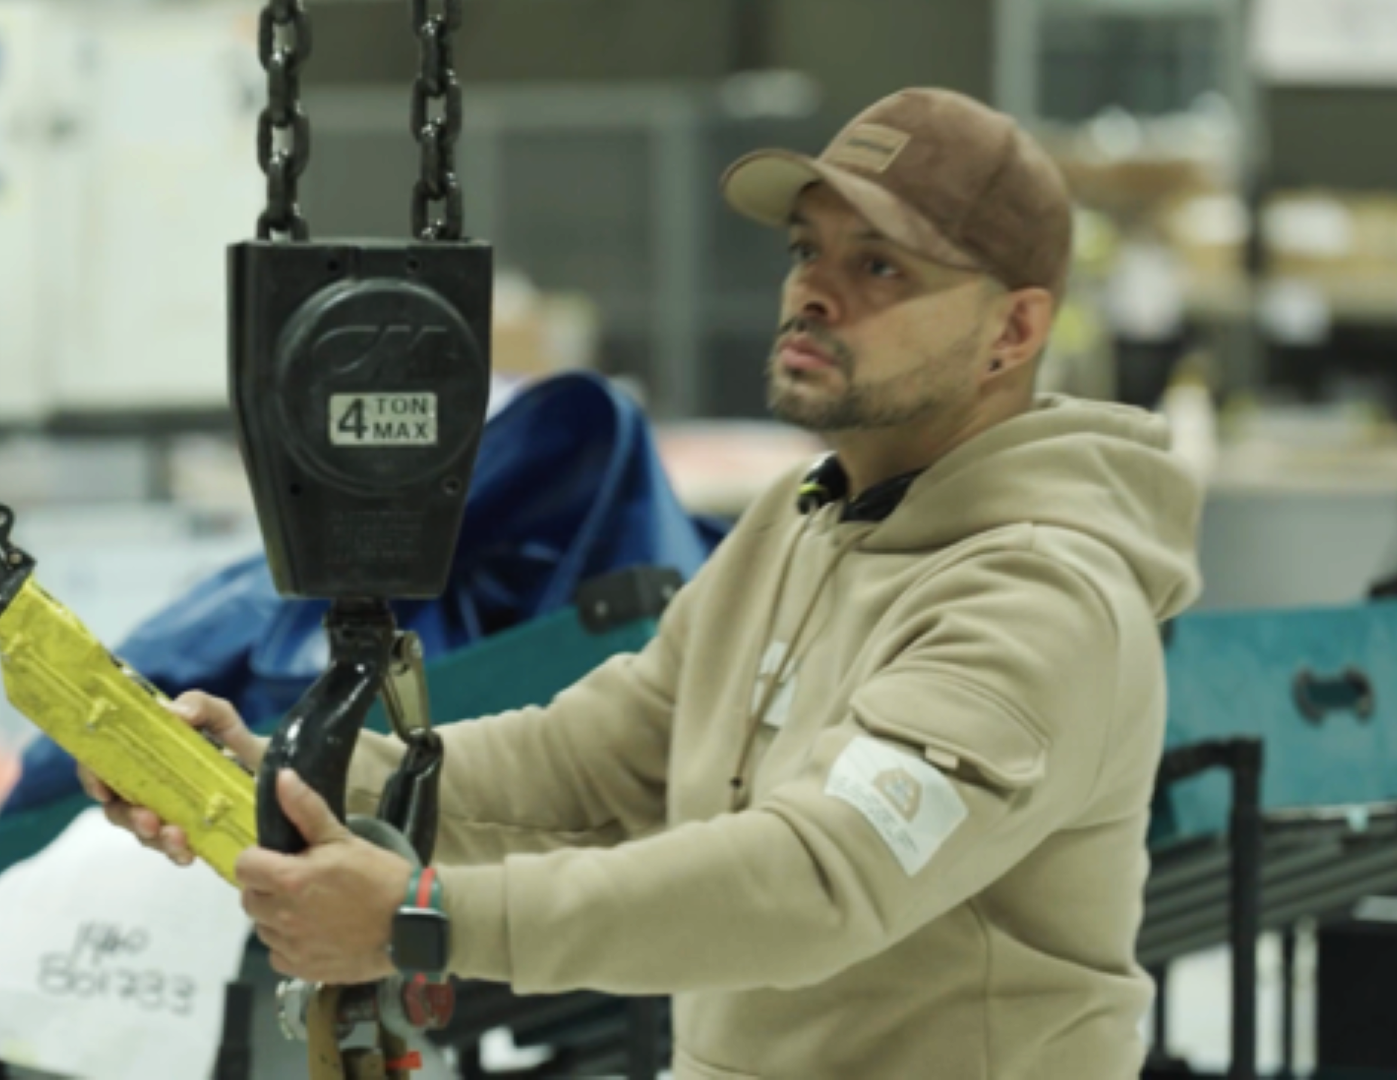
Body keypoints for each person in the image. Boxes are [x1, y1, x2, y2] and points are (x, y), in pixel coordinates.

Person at [82, 87, 1204, 1080]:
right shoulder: (806, 520)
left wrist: (425, 918)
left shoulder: (1041, 600)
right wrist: (300, 770)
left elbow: (817, 880)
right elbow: (598, 759)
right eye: (806, 251)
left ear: (1013, 329)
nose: (814, 291)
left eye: (880, 267)